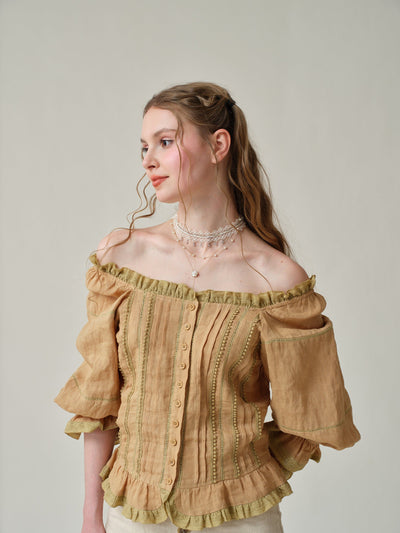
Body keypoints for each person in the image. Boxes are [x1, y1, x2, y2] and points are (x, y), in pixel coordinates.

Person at [54, 81, 361, 533]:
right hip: (133, 516)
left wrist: (244, 477)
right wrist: (91, 516)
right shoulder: (121, 258)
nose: (148, 160)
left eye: (165, 142)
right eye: (144, 147)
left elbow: (309, 414)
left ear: (219, 145)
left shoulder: (277, 280)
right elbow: (101, 398)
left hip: (241, 518)